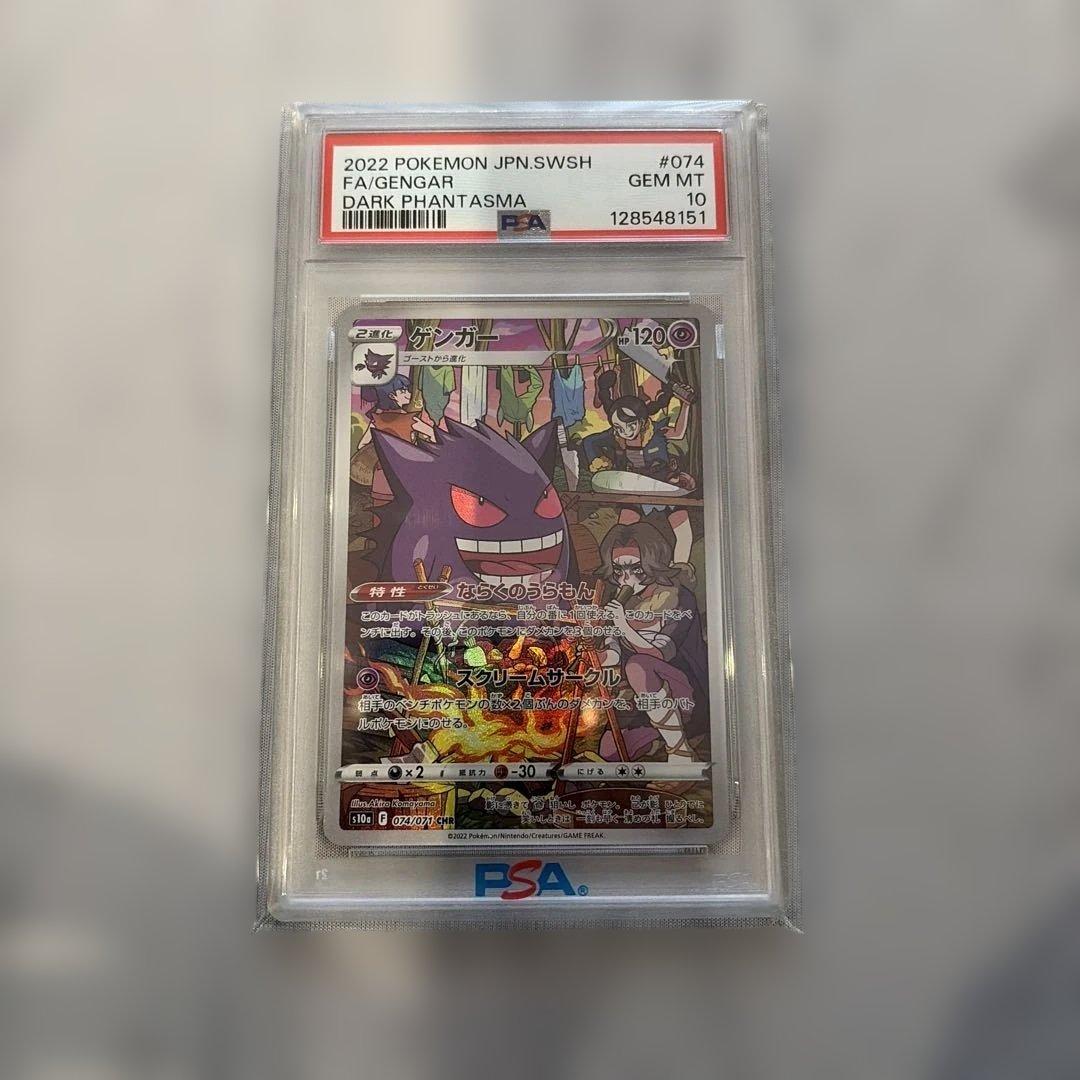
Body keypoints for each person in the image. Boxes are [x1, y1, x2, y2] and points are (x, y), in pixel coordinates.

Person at [596, 520, 708, 762]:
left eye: (635, 570)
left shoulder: (679, 598)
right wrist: (594, 656)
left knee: (638, 665)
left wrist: (623, 624)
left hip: (687, 695)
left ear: (654, 563)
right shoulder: (621, 600)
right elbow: (613, 651)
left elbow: (658, 653)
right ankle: (662, 736)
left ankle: (680, 752)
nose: (626, 579)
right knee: (610, 751)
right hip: (643, 701)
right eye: (618, 571)